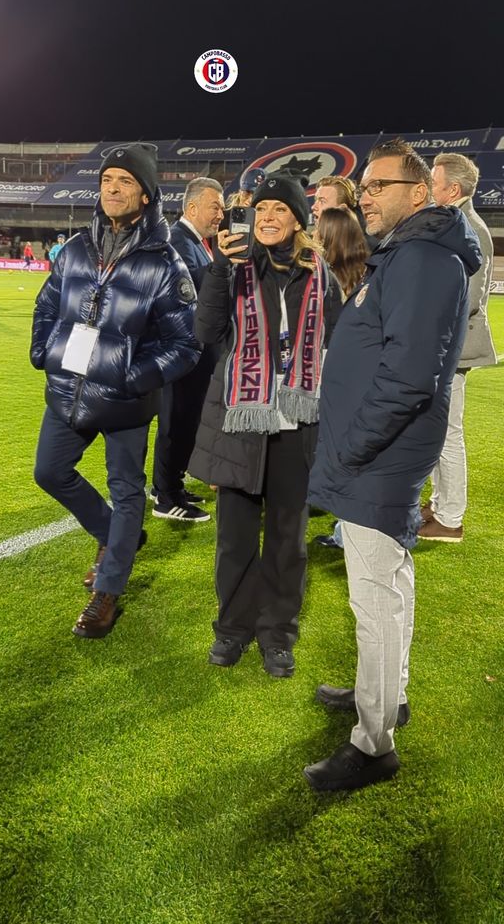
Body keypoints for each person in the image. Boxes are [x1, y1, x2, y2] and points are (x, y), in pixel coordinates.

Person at [304, 138, 481, 791]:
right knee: (390, 584)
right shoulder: (410, 255)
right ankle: (385, 695)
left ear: (420, 194)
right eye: (365, 187)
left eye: (379, 186)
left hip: (379, 453)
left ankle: (373, 744)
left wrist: (350, 449)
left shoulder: (423, 259)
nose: (366, 196)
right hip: (381, 449)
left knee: (374, 594)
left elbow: (408, 379)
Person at [31, 143, 201, 640]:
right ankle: (114, 538)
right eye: (107, 179)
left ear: (146, 195)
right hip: (68, 391)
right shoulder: (77, 248)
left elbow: (185, 345)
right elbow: (46, 307)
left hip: (125, 402)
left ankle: (106, 592)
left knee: (127, 491)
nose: (113, 188)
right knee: (49, 472)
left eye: (125, 181)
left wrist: (130, 377)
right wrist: (44, 352)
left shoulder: (165, 263)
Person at [188, 173, 342, 677]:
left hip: (298, 421)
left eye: (279, 210)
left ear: (298, 219)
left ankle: (277, 633)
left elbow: (338, 344)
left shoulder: (322, 274)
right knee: (234, 536)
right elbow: (205, 332)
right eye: (261, 210)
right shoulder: (233, 268)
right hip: (239, 419)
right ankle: (231, 628)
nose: (267, 218)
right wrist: (218, 269)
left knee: (286, 538)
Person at [418, 153, 497, 542]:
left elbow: (469, 299)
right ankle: (440, 503)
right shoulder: (455, 221)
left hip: (454, 347)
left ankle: (450, 519)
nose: (428, 188)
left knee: (447, 434)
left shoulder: (471, 227)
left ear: (452, 189)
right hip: (444, 345)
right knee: (437, 430)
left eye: (433, 181)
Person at [151, 177, 224, 522]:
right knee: (175, 419)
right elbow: (190, 288)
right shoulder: (177, 239)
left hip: (193, 349)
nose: (221, 214)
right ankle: (167, 496)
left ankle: (168, 484)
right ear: (192, 207)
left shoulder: (195, 241)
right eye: (216, 206)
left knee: (184, 418)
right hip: (182, 349)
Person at [311, 207, 370, 549]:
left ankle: (346, 533)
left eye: (319, 233)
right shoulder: (366, 272)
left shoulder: (326, 278)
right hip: (356, 379)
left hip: (331, 376)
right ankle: (345, 530)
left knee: (339, 456)